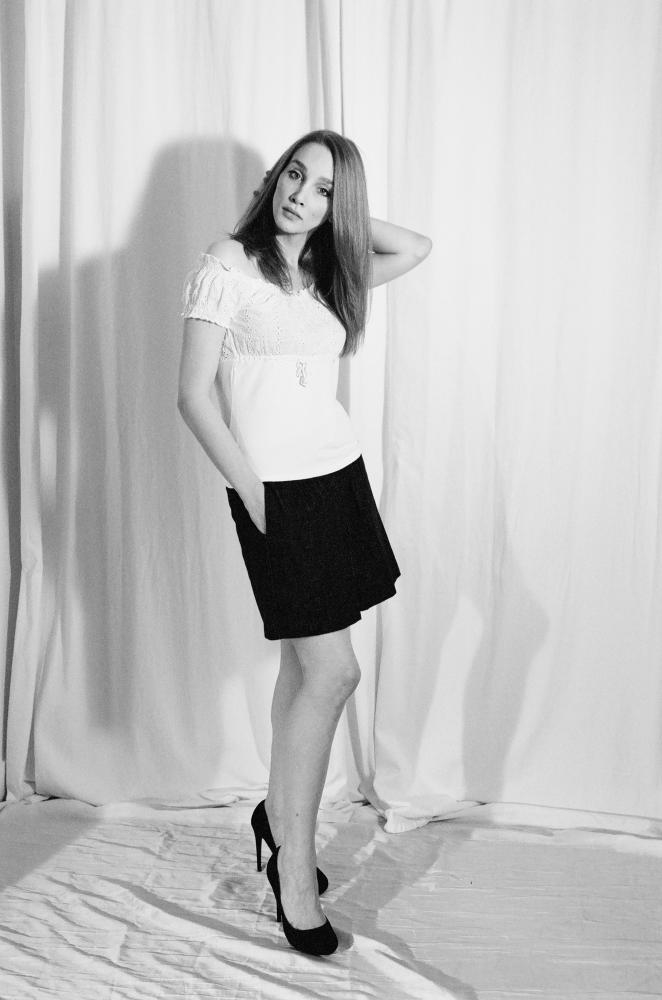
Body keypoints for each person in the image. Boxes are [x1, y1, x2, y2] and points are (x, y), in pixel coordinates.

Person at [177, 129, 432, 956]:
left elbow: (416, 247)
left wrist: (340, 214)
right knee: (334, 672)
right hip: (275, 496)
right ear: (273, 177)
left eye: (323, 188)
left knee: (304, 672)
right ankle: (293, 866)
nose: (300, 196)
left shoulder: (326, 269)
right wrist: (255, 498)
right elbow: (193, 396)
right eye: (295, 175)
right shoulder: (227, 263)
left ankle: (278, 820)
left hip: (338, 481)